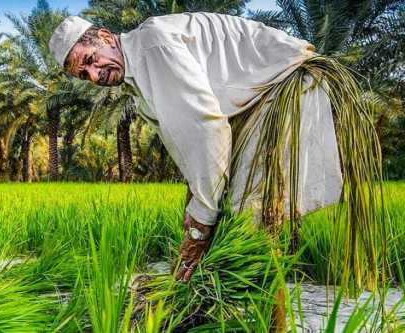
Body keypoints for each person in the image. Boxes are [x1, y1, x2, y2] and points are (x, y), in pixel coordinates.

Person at [48, 13, 381, 282]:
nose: (94, 75)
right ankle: (254, 305)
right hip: (259, 100)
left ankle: (271, 317)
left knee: (253, 220)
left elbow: (207, 130)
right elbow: (185, 140)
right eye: (84, 74)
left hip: (285, 88)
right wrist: (194, 199)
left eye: (91, 59)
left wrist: (199, 226)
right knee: (238, 218)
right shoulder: (136, 75)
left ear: (105, 37)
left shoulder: (151, 47)